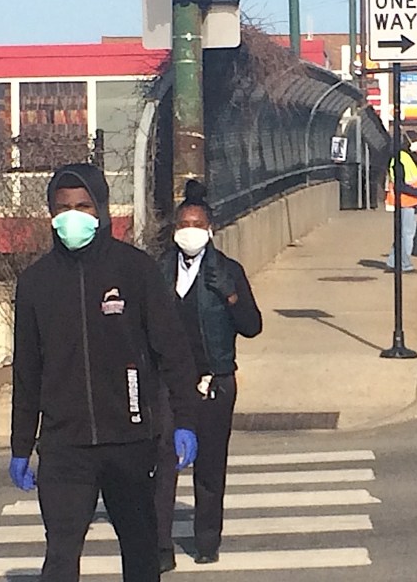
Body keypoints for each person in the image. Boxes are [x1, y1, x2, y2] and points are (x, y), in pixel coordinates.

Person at [9, 163, 200, 582]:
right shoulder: (36, 283)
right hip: (64, 447)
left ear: (101, 209)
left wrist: (185, 420)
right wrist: (21, 445)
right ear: (51, 214)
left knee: (141, 550)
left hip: (129, 441)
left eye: (83, 206)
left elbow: (173, 351)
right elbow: (27, 371)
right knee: (60, 555)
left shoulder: (135, 270)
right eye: (63, 208)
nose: (72, 216)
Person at [156, 180, 262, 572]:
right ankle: (160, 547)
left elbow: (252, 326)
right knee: (163, 465)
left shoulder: (227, 271)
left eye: (197, 225)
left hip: (214, 381)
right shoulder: (159, 270)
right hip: (169, 383)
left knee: (210, 465)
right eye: (184, 224)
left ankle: (206, 541)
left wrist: (230, 296)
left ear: (210, 230)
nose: (190, 231)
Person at [384, 134, 417, 273]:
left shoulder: (409, 158)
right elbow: (400, 185)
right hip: (405, 202)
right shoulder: (400, 159)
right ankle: (404, 265)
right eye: (416, 140)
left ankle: (393, 262)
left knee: (403, 234)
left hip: (411, 201)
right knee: (406, 235)